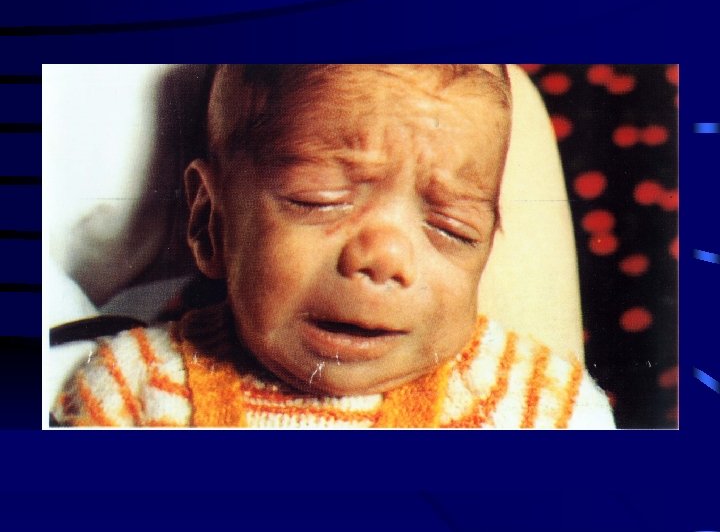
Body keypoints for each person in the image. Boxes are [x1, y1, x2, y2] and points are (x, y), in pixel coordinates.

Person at [51, 64, 615, 428]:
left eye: (452, 228)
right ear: (208, 223)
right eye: (319, 199)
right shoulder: (136, 386)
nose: (385, 259)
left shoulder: (536, 402)